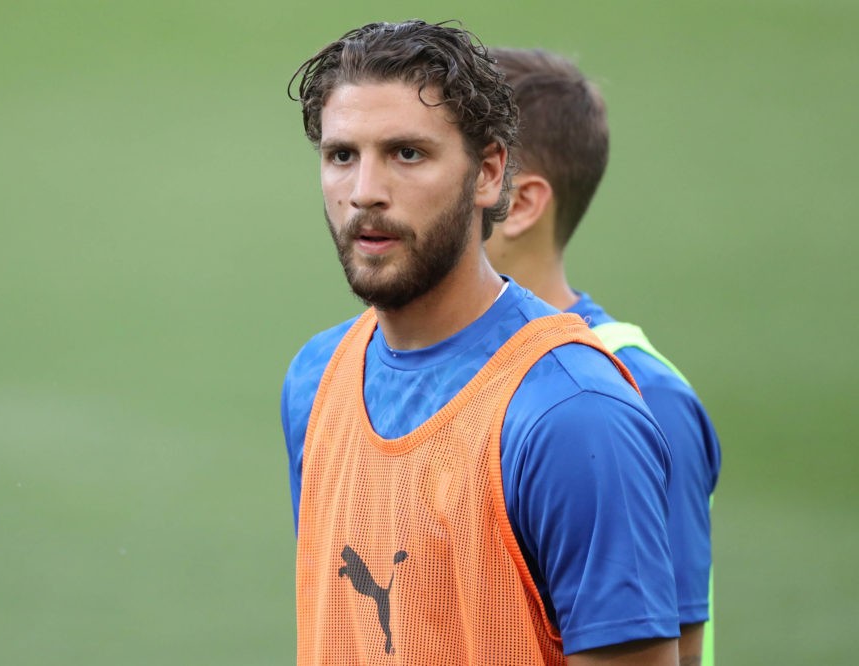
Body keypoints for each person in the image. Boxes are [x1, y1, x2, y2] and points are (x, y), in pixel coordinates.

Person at [282, 20, 680, 665]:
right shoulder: (315, 378)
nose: (364, 193)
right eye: (342, 156)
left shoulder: (573, 416)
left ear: (489, 174)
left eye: (407, 153)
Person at [484, 47, 722, 665]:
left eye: (420, 157)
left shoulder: (635, 393)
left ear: (520, 203)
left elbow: (670, 649)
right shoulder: (366, 362)